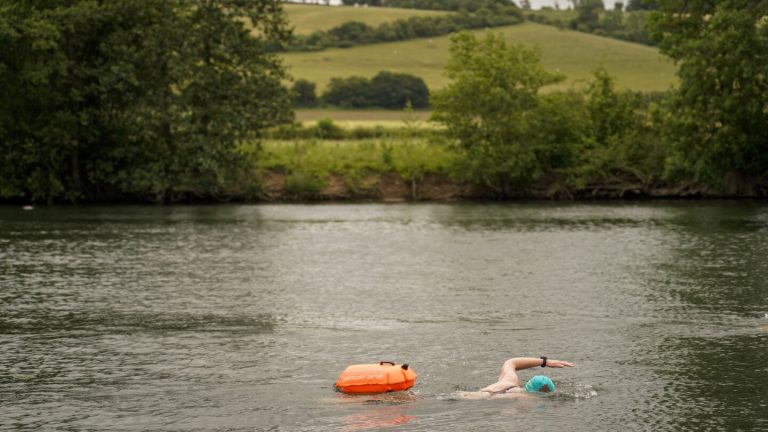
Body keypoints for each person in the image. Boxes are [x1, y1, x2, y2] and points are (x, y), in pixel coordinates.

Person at [456, 356, 574, 400]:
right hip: (476, 396)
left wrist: (545, 361)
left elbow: (511, 362)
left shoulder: (509, 381)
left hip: (472, 395)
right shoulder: (526, 399)